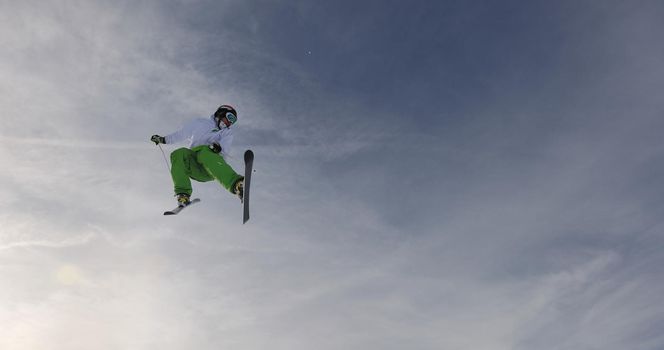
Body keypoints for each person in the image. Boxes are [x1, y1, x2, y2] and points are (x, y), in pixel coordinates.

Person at [150, 105, 244, 207]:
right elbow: (181, 134)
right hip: (194, 165)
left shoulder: (226, 132)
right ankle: (183, 195)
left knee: (204, 151)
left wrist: (218, 147)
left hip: (211, 167)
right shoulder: (200, 123)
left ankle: (236, 185)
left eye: (233, 121)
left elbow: (225, 147)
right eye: (230, 117)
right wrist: (163, 139)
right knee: (179, 153)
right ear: (221, 113)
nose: (229, 122)